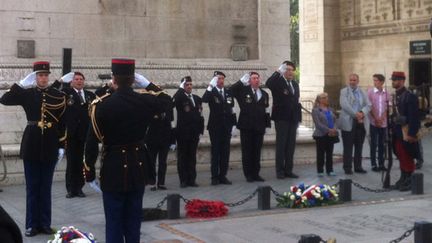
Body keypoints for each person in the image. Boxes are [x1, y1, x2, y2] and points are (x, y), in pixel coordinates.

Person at [87, 58, 167, 243]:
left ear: (113, 79)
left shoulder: (101, 105)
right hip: (138, 164)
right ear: (133, 79)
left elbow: (92, 140)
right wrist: (147, 83)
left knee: (114, 220)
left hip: (113, 165)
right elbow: (166, 100)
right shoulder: (145, 100)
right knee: (133, 219)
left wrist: (88, 169)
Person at [0, 61, 66, 237]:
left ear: (49, 76)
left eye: (45, 75)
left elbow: (63, 122)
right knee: (32, 187)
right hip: (31, 144)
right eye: (40, 75)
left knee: (45, 187)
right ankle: (31, 224)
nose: (43, 78)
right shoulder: (27, 93)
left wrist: (61, 145)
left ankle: (45, 223)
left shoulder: (57, 95)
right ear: (35, 76)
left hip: (51, 144)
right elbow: (4, 99)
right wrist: (21, 84)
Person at [54, 72, 96, 198]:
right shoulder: (66, 93)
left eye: (81, 79)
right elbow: (52, 92)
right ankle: (71, 189)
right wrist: (60, 81)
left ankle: (80, 188)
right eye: (76, 79)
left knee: (82, 162)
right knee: (72, 162)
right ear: (71, 82)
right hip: (71, 134)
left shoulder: (89, 95)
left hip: (85, 134)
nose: (79, 81)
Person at [231, 72, 271, 182]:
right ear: (249, 80)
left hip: (259, 126)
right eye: (254, 78)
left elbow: (266, 110)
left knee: (257, 151)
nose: (256, 80)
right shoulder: (243, 91)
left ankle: (256, 173)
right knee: (247, 151)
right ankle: (248, 174)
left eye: (258, 78)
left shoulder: (264, 94)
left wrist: (267, 125)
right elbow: (231, 91)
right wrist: (240, 82)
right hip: (246, 126)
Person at [265, 61, 302, 179]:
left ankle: (288, 170)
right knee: (281, 145)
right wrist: (278, 71)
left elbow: (295, 101)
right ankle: (280, 171)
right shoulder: (278, 82)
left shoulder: (295, 84)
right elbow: (268, 83)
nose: (290, 72)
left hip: (293, 118)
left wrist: (298, 118)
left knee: (291, 145)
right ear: (283, 71)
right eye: (287, 69)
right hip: (281, 118)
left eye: (291, 70)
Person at [202, 71, 237, 185]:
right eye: (218, 79)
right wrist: (210, 86)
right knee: (216, 152)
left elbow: (231, 108)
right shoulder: (211, 92)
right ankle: (214, 177)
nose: (221, 81)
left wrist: (233, 124)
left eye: (222, 78)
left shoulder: (228, 92)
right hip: (215, 127)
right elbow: (204, 99)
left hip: (226, 126)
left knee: (225, 152)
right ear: (214, 80)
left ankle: (223, 175)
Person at [390, 71, 420, 191]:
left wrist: (412, 134)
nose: (393, 82)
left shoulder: (409, 96)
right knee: (400, 154)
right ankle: (403, 177)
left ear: (402, 81)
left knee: (407, 155)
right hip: (397, 132)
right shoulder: (396, 96)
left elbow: (414, 117)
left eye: (395, 80)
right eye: (393, 80)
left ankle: (410, 179)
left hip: (406, 132)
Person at [173, 76, 204, 188]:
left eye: (190, 84)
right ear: (183, 86)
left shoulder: (196, 98)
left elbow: (199, 115)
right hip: (183, 133)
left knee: (192, 157)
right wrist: (180, 89)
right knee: (182, 157)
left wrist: (200, 130)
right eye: (187, 85)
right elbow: (174, 100)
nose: (189, 86)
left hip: (194, 132)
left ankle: (192, 179)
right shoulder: (180, 97)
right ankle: (183, 180)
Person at [339, 73, 371, 174]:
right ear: (349, 81)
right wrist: (356, 114)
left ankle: (358, 166)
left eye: (354, 80)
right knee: (348, 146)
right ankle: (347, 167)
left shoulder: (362, 92)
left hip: (360, 122)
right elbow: (345, 105)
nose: (352, 82)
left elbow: (369, 105)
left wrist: (362, 113)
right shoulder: (344, 91)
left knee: (359, 145)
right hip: (349, 121)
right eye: (351, 80)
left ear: (358, 81)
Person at [145, 92, 175, 191]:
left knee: (162, 162)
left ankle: (161, 182)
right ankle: (152, 182)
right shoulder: (151, 110)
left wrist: (172, 141)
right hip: (152, 140)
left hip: (164, 140)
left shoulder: (167, 113)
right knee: (152, 162)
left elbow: (170, 126)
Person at [367, 74, 390, 172]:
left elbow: (388, 107)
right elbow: (369, 106)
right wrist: (376, 118)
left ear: (381, 82)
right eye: (374, 80)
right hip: (374, 122)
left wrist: (382, 118)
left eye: (376, 80)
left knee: (382, 144)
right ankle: (373, 164)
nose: (374, 82)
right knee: (373, 143)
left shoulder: (387, 93)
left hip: (383, 123)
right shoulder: (370, 92)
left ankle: (381, 163)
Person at [312, 93, 338, 177]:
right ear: (319, 100)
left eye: (327, 97)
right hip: (321, 135)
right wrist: (328, 130)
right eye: (324, 98)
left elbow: (335, 120)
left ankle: (330, 170)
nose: (326, 99)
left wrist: (334, 129)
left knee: (329, 153)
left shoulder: (330, 109)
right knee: (320, 153)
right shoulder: (315, 110)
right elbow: (318, 124)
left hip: (331, 134)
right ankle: (320, 170)